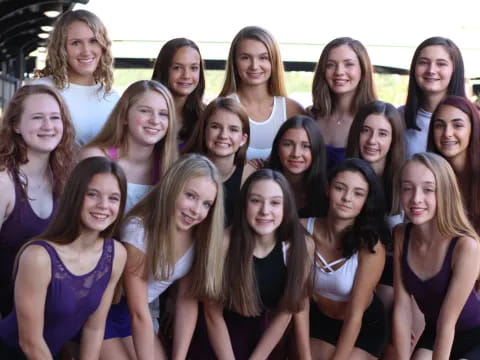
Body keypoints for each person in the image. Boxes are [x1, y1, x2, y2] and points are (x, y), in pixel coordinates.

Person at [0, 156, 128, 359]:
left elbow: (94, 329)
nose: (104, 205)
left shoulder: (116, 255)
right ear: (74, 197)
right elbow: (30, 342)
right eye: (92, 194)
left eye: (114, 198)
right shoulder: (38, 257)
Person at [203, 169, 313, 360]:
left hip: (264, 336)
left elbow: (287, 311)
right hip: (218, 334)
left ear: (286, 207)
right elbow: (212, 313)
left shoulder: (300, 246)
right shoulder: (224, 242)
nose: (265, 211)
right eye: (256, 201)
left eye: (275, 203)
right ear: (244, 204)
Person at [123, 154, 225, 360]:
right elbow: (136, 312)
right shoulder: (139, 229)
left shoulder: (198, 236)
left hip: (145, 313)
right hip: (113, 311)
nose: (196, 211)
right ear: (172, 187)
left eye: (206, 204)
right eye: (190, 196)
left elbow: (186, 301)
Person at [392, 152, 480, 359]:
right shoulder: (400, 235)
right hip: (434, 331)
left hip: (474, 337)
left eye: (428, 190)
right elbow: (402, 308)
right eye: (407, 188)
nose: (416, 199)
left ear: (445, 193)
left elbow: (448, 321)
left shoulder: (466, 245)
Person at [0, 84, 75, 318]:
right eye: (37, 118)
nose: (48, 126)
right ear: (15, 125)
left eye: (55, 117)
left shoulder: (67, 176)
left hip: (50, 316)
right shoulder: (4, 182)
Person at [303, 158, 390, 359]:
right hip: (318, 320)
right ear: (328, 189)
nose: (347, 198)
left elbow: (355, 315)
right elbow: (297, 303)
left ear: (366, 200)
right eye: (340, 188)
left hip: (363, 326)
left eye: (358, 193)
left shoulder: (370, 245)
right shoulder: (301, 230)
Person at [80, 80, 178, 212]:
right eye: (145, 111)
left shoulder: (170, 166)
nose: (155, 121)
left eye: (163, 114)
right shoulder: (94, 158)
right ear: (124, 116)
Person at [33, 9, 119, 146]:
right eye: (76, 43)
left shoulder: (113, 98)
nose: (86, 51)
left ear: (103, 46)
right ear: (61, 48)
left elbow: (117, 151)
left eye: (93, 41)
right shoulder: (40, 90)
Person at [219, 26, 304, 160]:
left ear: (274, 62)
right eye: (245, 57)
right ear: (234, 62)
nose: (254, 65)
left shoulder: (293, 110)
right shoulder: (220, 109)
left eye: (263, 58)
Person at [183, 97, 255, 225]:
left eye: (233, 129)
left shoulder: (250, 177)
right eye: (215, 127)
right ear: (204, 130)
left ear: (243, 139)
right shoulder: (184, 170)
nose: (223, 135)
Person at [310, 37, 377, 170]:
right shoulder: (311, 117)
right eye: (331, 65)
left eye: (348, 64)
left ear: (363, 69)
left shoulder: (375, 120)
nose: (339, 72)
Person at [402, 37, 466, 158]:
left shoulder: (474, 119)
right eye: (423, 63)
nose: (431, 70)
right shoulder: (398, 118)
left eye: (441, 64)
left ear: (454, 70)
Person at [427, 95, 480, 233]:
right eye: (439, 125)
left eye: (457, 125)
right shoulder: (429, 176)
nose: (447, 133)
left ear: (473, 129)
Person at [267, 114, 328, 218]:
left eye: (306, 146)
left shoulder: (327, 192)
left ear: (316, 150)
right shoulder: (262, 183)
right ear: (277, 148)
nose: (296, 153)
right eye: (288, 144)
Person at [152, 38, 205, 145]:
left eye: (194, 68)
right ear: (163, 70)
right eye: (177, 68)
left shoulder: (206, 116)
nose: (186, 75)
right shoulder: (147, 114)